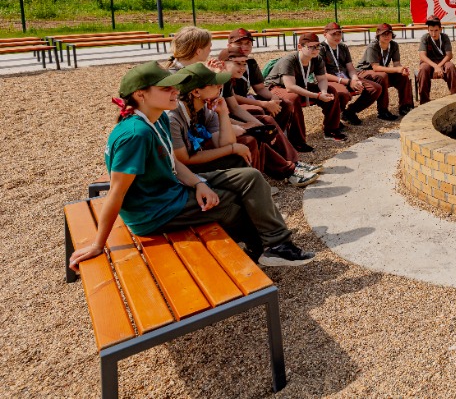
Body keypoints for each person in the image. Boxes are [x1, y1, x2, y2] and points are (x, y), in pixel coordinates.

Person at [68, 62, 314, 271]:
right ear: (140, 95)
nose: (175, 92)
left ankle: (276, 245)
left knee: (249, 177)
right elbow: (117, 192)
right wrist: (98, 244)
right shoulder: (136, 134)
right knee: (227, 201)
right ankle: (261, 247)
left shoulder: (159, 117)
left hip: (169, 190)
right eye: (166, 88)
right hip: (155, 210)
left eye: (174, 86)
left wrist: (198, 183)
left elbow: (172, 162)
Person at [218, 48, 320, 186]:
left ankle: (293, 162)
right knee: (254, 135)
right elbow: (215, 117)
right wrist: (244, 125)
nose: (243, 68)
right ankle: (288, 171)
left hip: (226, 119)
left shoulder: (226, 79)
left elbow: (235, 107)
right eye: (238, 63)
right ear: (223, 63)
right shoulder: (215, 81)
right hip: (216, 127)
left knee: (266, 123)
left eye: (244, 64)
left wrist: (260, 126)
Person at [222, 28, 301, 151]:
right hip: (232, 104)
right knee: (259, 110)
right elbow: (232, 97)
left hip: (243, 100)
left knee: (284, 103)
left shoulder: (251, 63)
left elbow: (259, 88)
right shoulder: (225, 64)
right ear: (229, 45)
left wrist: (273, 98)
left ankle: (281, 140)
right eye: (239, 43)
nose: (244, 46)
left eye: (248, 43)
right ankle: (273, 144)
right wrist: (263, 103)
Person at [264, 32, 347, 144]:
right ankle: (298, 141)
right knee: (292, 98)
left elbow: (322, 79)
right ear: (300, 47)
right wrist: (317, 96)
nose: (315, 49)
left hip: (300, 84)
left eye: (317, 46)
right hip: (275, 87)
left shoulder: (317, 59)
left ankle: (331, 130)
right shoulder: (289, 60)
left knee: (331, 90)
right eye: (310, 46)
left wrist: (323, 92)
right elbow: (290, 87)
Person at [318, 22, 382, 125]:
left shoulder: (343, 47)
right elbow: (323, 74)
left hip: (346, 78)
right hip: (331, 80)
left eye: (339, 33)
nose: (337, 37)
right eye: (333, 34)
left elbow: (350, 67)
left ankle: (350, 112)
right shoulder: (321, 49)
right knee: (343, 94)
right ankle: (334, 119)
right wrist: (348, 82)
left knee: (375, 88)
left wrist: (355, 79)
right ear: (325, 34)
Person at [357, 23, 413, 119]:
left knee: (402, 77)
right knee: (383, 76)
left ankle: (405, 106)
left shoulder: (394, 45)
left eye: (389, 34)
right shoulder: (373, 46)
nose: (387, 36)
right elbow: (375, 67)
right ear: (378, 35)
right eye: (383, 34)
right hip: (364, 72)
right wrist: (396, 69)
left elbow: (396, 64)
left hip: (380, 72)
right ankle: (382, 110)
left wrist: (401, 70)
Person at [417, 17, 456, 102]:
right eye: (431, 30)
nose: (433, 33)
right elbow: (422, 55)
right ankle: (424, 100)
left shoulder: (445, 37)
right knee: (423, 69)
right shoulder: (425, 38)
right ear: (428, 30)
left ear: (440, 29)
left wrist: (439, 66)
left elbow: (449, 55)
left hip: (443, 60)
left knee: (451, 67)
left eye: (436, 30)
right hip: (429, 61)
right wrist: (435, 67)